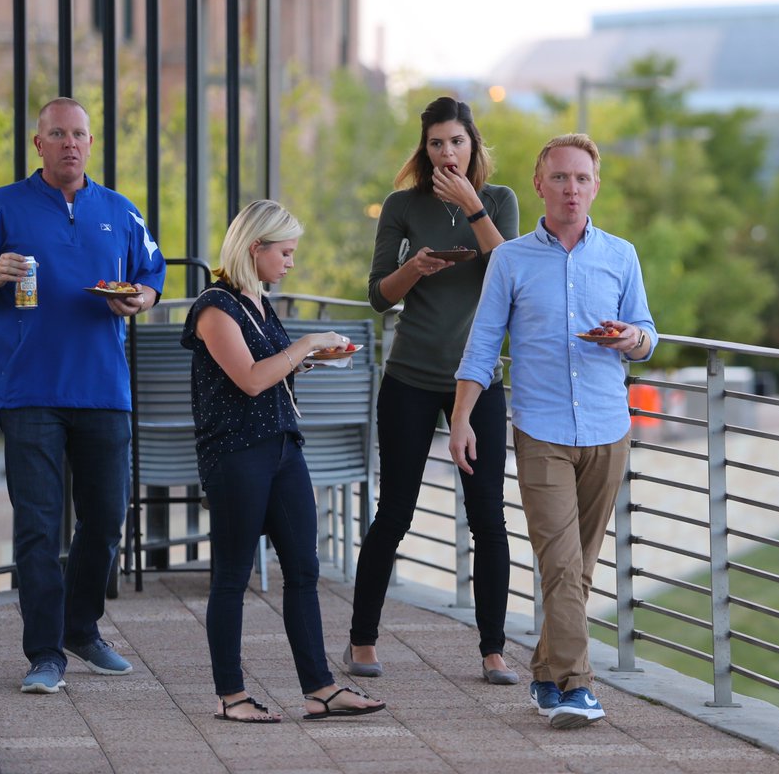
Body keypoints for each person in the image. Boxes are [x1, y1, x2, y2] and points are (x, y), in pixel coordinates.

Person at [449, 133, 657, 729]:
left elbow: (647, 334)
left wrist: (630, 339)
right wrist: (461, 419)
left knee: (580, 569)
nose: (572, 189)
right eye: (560, 178)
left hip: (608, 429)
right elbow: (483, 343)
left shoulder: (621, 255)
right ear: (539, 184)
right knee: (562, 566)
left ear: (596, 186)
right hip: (539, 430)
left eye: (582, 179)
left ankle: (544, 672)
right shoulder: (511, 259)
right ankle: (575, 687)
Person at [0, 97, 165, 694]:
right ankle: (44, 654)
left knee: (105, 519)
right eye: (58, 134)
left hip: (104, 391)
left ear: (90, 143)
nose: (70, 144)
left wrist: (139, 300)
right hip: (30, 392)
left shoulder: (119, 211)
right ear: (39, 143)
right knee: (38, 526)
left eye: (79, 134)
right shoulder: (3, 206)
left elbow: (152, 278)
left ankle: (82, 628)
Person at [181, 199, 385, 723]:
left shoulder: (257, 301)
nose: (291, 262)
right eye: (286, 252)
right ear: (256, 248)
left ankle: (318, 688)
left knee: (303, 568)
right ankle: (231, 695)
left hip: (281, 448)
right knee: (231, 576)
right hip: (235, 454)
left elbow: (270, 372)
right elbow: (248, 378)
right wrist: (310, 341)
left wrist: (314, 358)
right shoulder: (215, 306)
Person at [346, 97, 520, 684]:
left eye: (457, 142)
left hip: (479, 379)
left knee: (488, 518)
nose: (447, 152)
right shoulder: (402, 206)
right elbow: (378, 294)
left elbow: (512, 272)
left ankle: (493, 649)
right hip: (410, 377)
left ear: (474, 144)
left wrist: (474, 208)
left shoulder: (499, 201)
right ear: (425, 149)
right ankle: (362, 640)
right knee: (394, 512)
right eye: (436, 143)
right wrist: (413, 269)